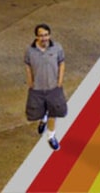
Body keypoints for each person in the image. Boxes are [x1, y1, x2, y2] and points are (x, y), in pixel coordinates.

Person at [24, 23, 67, 151]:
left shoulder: (57, 48)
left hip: (53, 88)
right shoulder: (30, 51)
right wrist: (30, 82)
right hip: (37, 89)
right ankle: (43, 119)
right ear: (36, 37)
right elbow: (27, 66)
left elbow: (62, 63)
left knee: (54, 112)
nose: (44, 38)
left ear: (50, 35)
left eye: (46, 35)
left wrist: (59, 81)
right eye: (41, 36)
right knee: (35, 112)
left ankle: (51, 136)